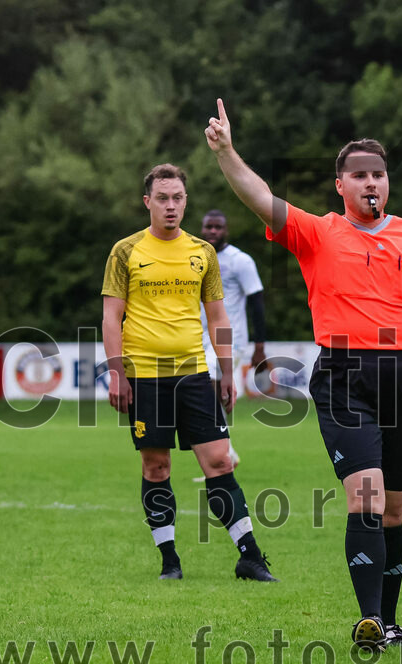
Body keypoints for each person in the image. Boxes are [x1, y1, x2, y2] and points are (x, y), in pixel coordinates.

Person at [204, 99, 402, 650]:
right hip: (345, 374)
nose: (372, 183)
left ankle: (389, 623)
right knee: (364, 496)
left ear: (387, 182)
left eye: (379, 174)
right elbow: (261, 200)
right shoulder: (317, 232)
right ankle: (368, 621)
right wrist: (227, 152)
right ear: (340, 186)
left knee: (394, 509)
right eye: (360, 175)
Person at [101, 163, 277, 583]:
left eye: (177, 198)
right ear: (148, 202)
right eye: (162, 198)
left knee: (218, 460)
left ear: (185, 202)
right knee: (156, 466)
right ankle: (169, 561)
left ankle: (249, 557)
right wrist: (116, 373)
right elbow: (111, 318)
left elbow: (217, 317)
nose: (170, 206)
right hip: (144, 375)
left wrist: (229, 371)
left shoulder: (203, 252)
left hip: (196, 374)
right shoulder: (125, 251)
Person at [193, 209, 268, 480]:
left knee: (209, 383)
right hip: (198, 338)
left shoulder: (240, 261)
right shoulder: (195, 258)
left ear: (226, 230)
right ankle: (225, 454)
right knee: (203, 394)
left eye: (218, 227)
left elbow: (257, 302)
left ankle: (222, 454)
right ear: (202, 229)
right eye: (208, 227)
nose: (213, 231)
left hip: (229, 340)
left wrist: (260, 346)